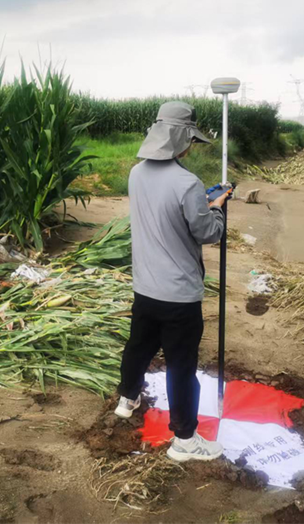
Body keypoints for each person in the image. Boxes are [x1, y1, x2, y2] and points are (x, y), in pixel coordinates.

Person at [114, 101, 232, 462]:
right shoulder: (187, 183)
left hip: (145, 287)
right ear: (182, 141)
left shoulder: (136, 173)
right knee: (181, 368)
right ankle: (184, 440)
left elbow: (163, 213)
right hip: (179, 296)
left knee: (139, 346)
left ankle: (127, 398)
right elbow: (207, 233)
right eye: (190, 140)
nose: (191, 147)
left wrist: (201, 203)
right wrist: (217, 209)